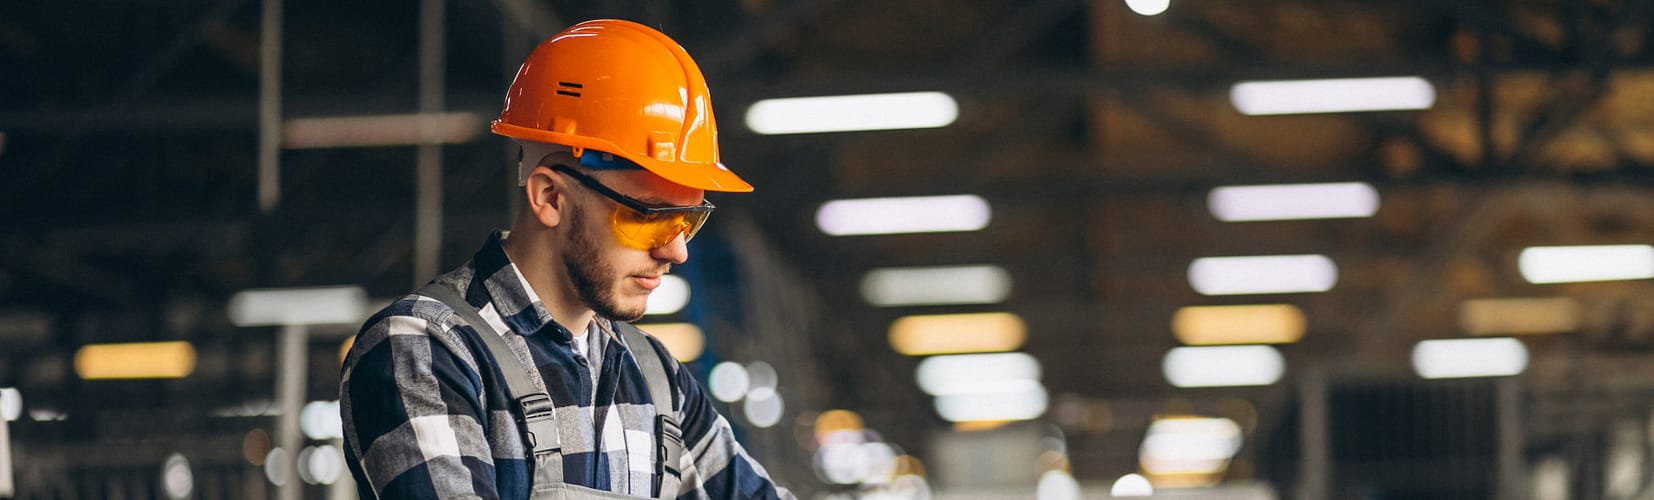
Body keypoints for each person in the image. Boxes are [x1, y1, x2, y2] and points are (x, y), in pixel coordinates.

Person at [339, 19, 795, 500]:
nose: (676, 249)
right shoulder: (426, 352)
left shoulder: (657, 379)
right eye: (647, 217)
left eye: (686, 221)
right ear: (550, 197)